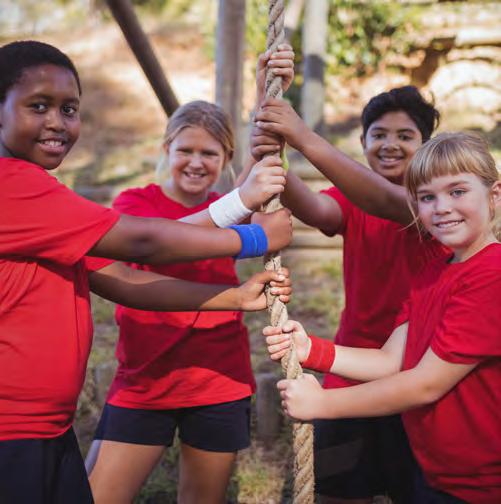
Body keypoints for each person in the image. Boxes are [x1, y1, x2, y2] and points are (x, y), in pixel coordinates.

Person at [0, 40, 292, 504]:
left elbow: (128, 280)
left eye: (69, 109)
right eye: (38, 106)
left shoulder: (41, 200)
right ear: (166, 149)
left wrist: (236, 297)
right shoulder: (17, 187)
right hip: (23, 428)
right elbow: (147, 242)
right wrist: (254, 238)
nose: (56, 121)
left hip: (48, 425)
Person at [85, 46, 295, 504]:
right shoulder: (136, 205)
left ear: (226, 158)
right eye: (185, 150)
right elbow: (159, 243)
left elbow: (261, 159)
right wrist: (238, 205)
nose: (196, 162)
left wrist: (263, 92)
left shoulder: (230, 204)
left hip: (216, 376)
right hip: (146, 378)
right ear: (167, 150)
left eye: (210, 153)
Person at [265, 132, 501, 504]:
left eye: (457, 191)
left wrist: (324, 404)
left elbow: (426, 384)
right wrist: (311, 350)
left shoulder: (492, 275)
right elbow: (391, 361)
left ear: (494, 195)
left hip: (479, 482)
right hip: (436, 468)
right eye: (427, 197)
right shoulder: (434, 271)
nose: (442, 207)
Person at [252, 86, 444, 502]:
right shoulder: (352, 199)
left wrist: (303, 136)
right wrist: (271, 156)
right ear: (362, 141)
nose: (390, 144)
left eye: (405, 136)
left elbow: (386, 201)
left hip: (419, 370)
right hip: (351, 364)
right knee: (338, 487)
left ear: (425, 146)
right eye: (379, 134)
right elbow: (314, 208)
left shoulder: (434, 207)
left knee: (415, 489)